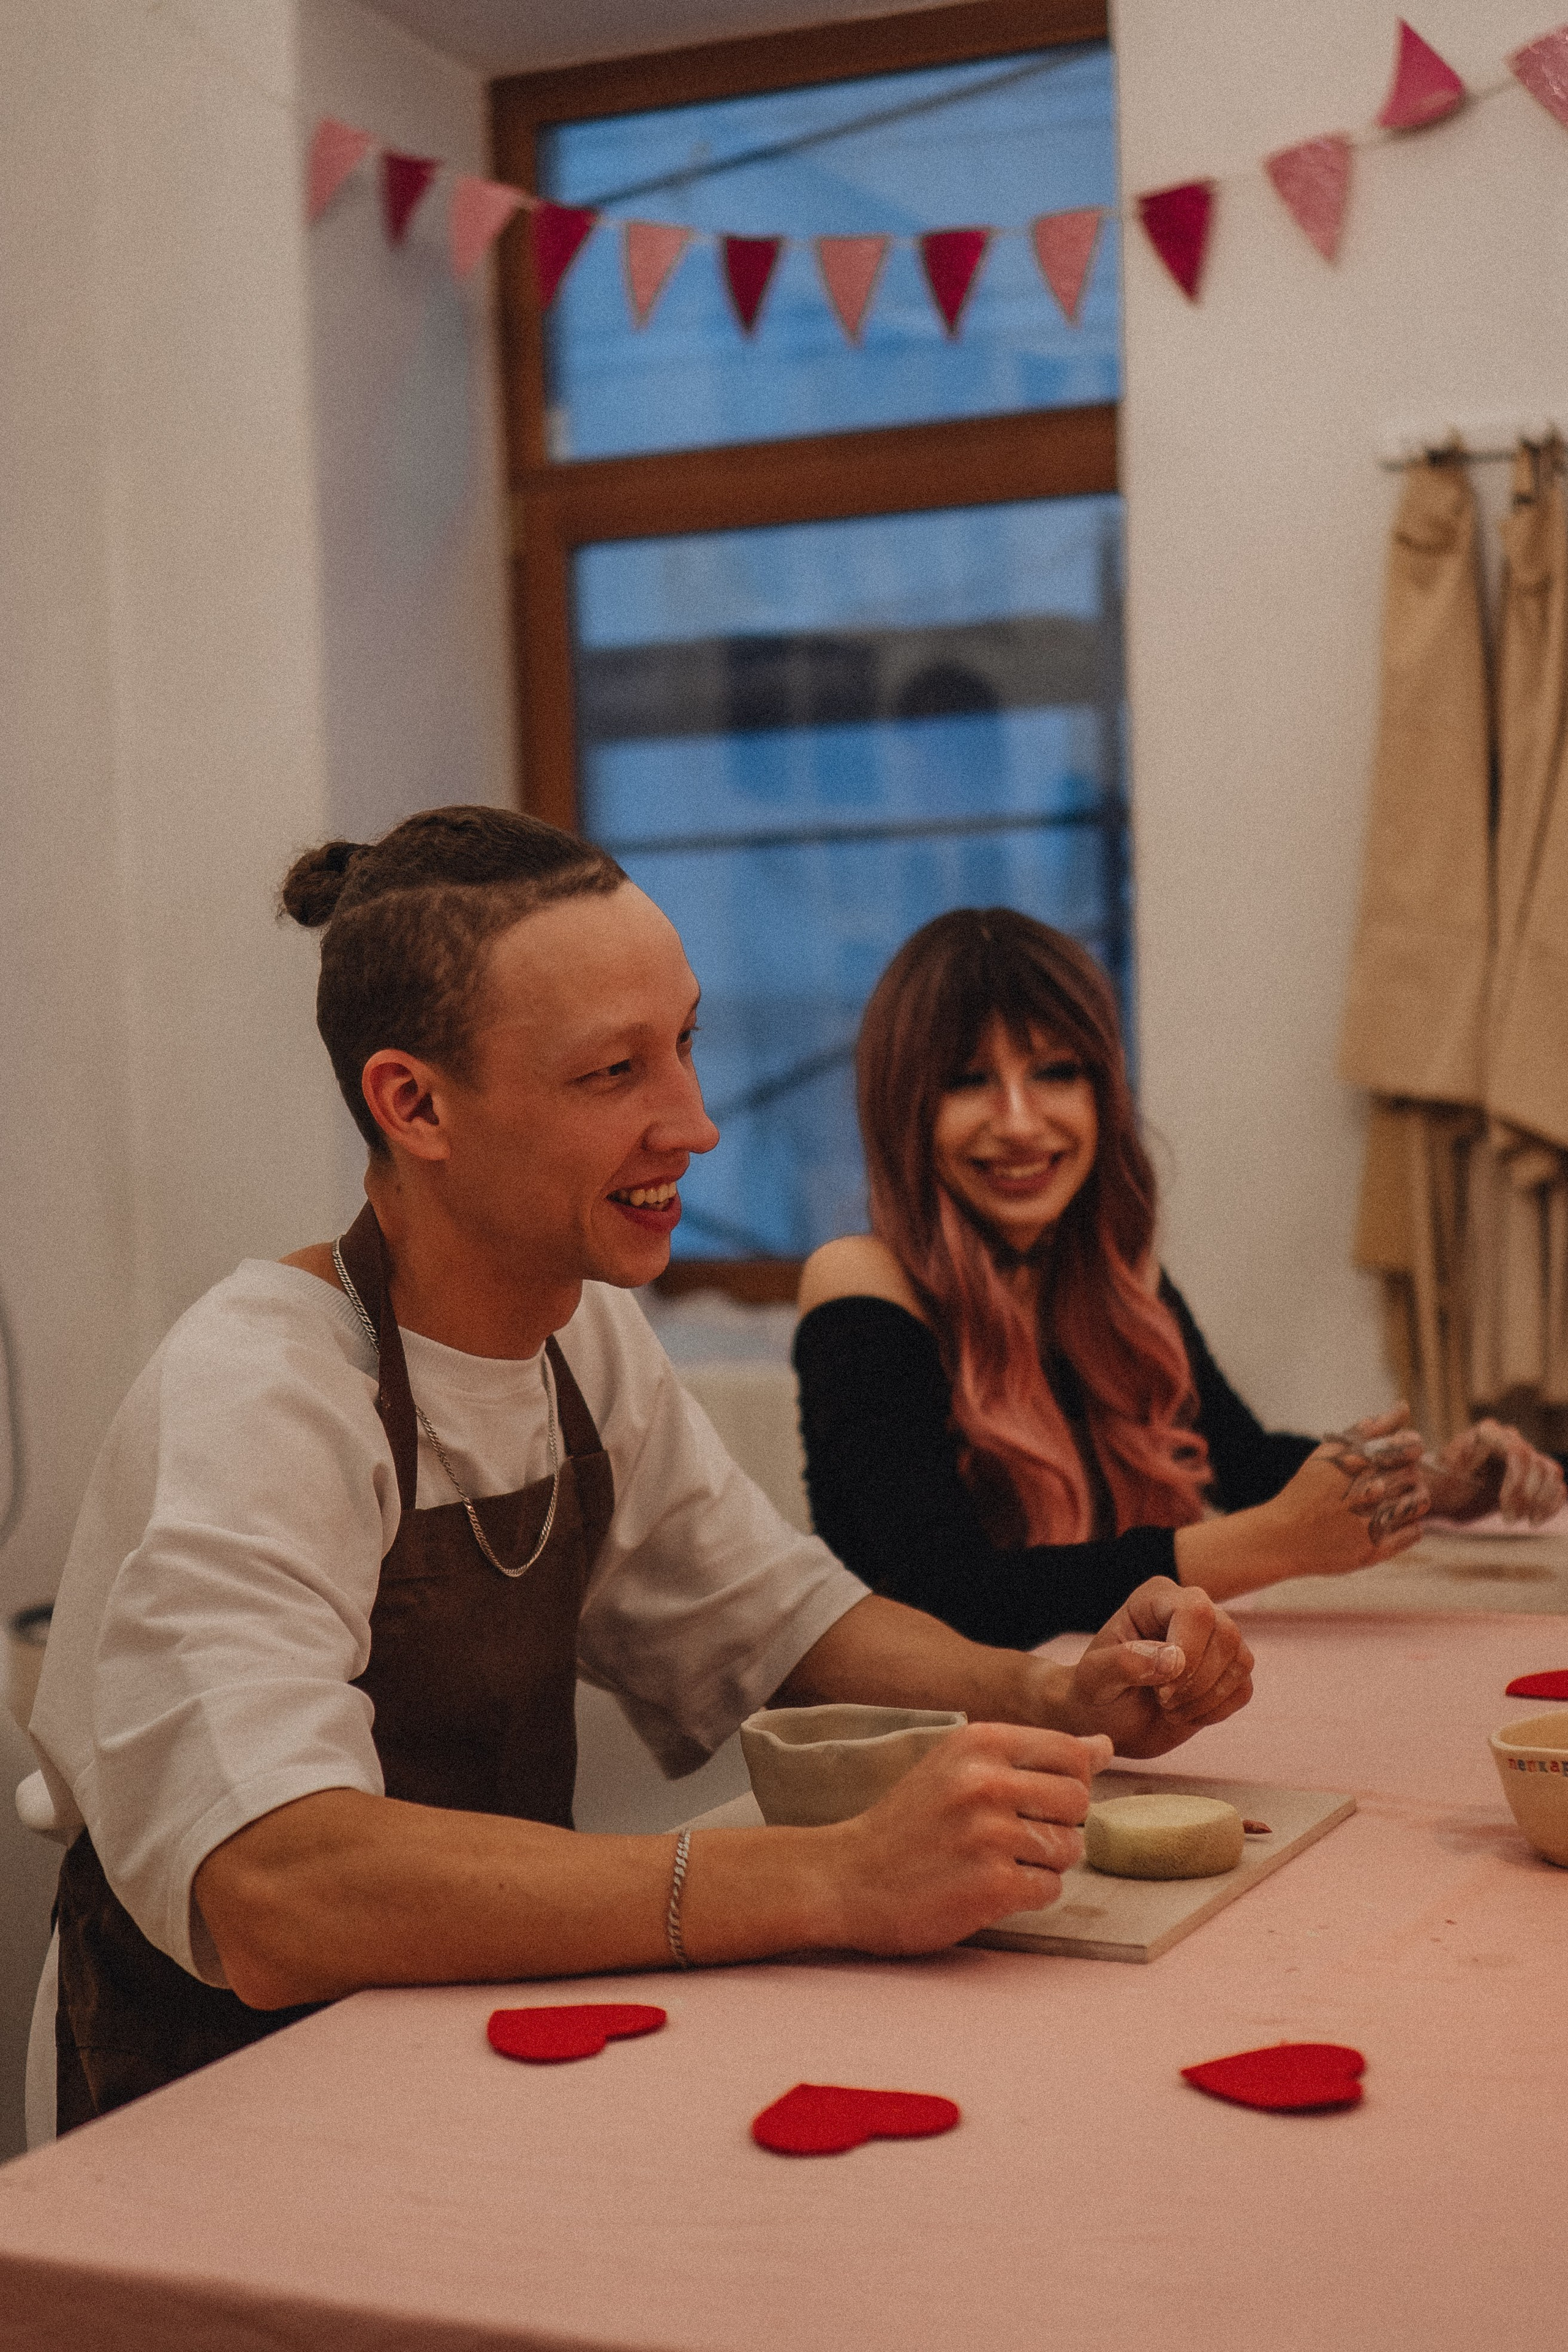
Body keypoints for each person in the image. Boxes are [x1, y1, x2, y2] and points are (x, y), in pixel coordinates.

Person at [23, 810, 1254, 2136]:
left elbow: (777, 1618)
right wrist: (826, 1880)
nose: (698, 1124)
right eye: (614, 1072)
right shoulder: (257, 1394)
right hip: (211, 2105)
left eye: (686, 1045)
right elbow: (276, 1887)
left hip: (450, 2049)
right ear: (413, 1103)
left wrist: (1055, 1690)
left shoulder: (582, 1333)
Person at [794, 908, 1565, 1648]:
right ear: (903, 1108)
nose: (1022, 1121)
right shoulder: (860, 1279)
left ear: (1103, 1094)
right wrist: (1271, 1543)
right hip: (942, 1742)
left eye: (1055, 1073)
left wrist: (1437, 1486)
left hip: (1106, 1704)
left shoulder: (1114, 1275)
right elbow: (947, 1594)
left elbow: (1242, 1458)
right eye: (969, 1082)